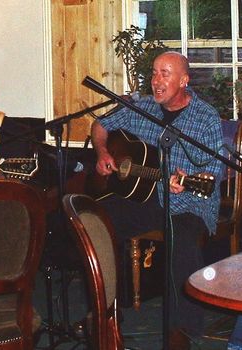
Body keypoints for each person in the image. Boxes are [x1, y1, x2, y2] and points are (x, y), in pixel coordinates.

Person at [91, 51, 223, 349]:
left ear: (184, 80)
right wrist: (103, 152)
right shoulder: (143, 107)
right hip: (148, 196)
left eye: (165, 73)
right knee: (94, 222)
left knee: (182, 239)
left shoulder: (206, 117)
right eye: (154, 73)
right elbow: (101, 125)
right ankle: (105, 311)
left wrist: (186, 183)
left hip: (189, 202)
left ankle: (184, 330)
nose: (156, 80)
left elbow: (213, 175)